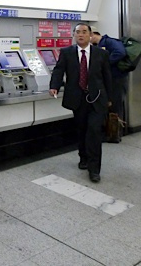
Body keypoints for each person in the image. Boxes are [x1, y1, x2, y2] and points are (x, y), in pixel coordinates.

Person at [50, 23, 112, 183]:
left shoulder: (101, 54)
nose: (81, 35)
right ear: (74, 35)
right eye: (78, 32)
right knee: (82, 130)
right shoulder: (67, 52)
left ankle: (94, 169)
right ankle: (83, 157)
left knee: (94, 132)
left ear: (90, 35)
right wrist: (54, 86)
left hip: (97, 98)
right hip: (77, 98)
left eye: (84, 32)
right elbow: (59, 70)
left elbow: (107, 77)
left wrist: (110, 99)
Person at [91, 30, 128, 125]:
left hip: (117, 79)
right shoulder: (99, 45)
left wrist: (106, 63)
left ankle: (116, 133)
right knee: (110, 105)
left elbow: (120, 52)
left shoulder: (110, 42)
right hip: (109, 79)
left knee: (116, 105)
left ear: (93, 35)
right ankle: (110, 131)